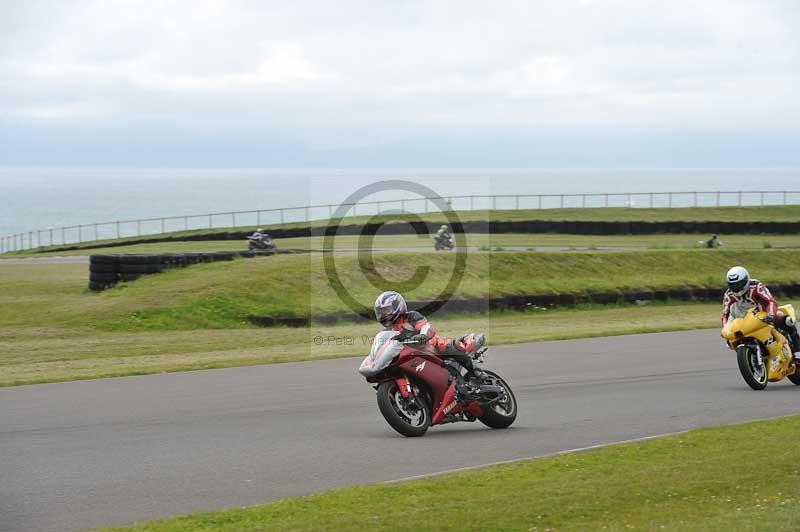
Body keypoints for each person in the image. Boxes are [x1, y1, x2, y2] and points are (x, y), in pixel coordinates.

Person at [373, 291, 486, 386]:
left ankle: (475, 371)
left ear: (397, 306)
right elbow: (384, 346)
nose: (383, 316)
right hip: (411, 357)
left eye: (386, 311)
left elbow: (426, 327)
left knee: (445, 344)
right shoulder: (387, 332)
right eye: (380, 313)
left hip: (430, 346)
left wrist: (423, 335)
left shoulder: (411, 317)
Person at [722, 266, 800, 361]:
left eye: (739, 284)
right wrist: (726, 329)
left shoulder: (756, 286)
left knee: (787, 321)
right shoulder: (729, 295)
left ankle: (797, 351)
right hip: (744, 322)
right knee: (731, 341)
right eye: (733, 285)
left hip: (763, 315)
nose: (736, 288)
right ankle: (752, 357)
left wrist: (770, 314)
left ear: (746, 280)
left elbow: (770, 301)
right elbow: (725, 314)